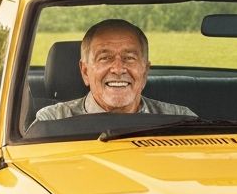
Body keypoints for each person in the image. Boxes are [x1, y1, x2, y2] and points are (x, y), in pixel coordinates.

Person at [33, 18, 196, 121]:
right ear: (85, 72)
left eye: (129, 58)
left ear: (145, 72)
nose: (118, 69)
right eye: (105, 58)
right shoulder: (51, 122)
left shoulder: (180, 120)